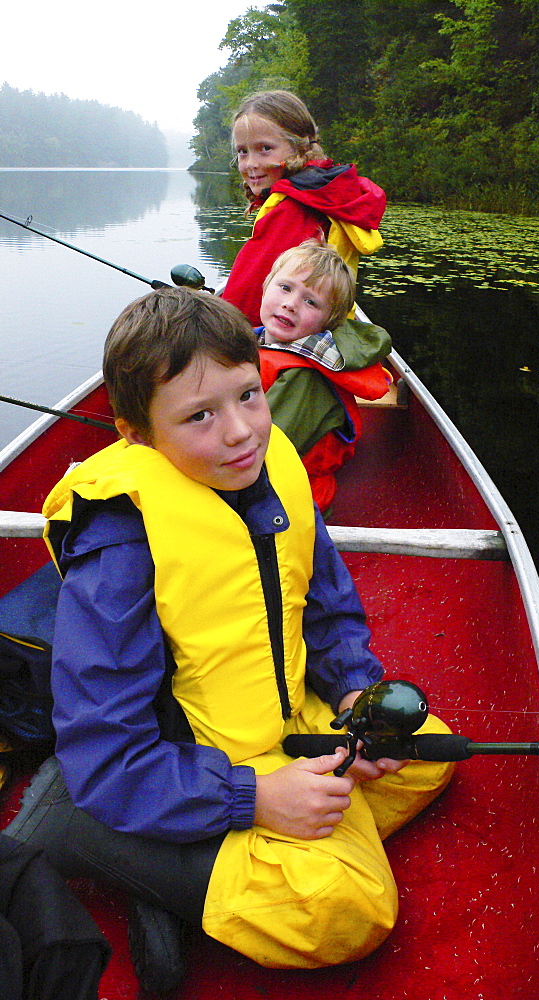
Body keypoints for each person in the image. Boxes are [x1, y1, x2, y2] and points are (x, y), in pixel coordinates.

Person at [5, 288, 453, 992]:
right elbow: (109, 754)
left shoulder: (270, 463)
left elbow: (326, 607)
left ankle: (252, 846)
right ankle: (82, 831)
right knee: (345, 911)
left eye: (248, 395)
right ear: (135, 434)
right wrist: (259, 800)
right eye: (199, 417)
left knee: (425, 752)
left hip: (277, 723)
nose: (241, 432)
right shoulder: (122, 546)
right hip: (179, 762)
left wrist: (353, 698)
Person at [222, 89, 386, 326]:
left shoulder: (292, 211)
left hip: (285, 343)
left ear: (299, 148)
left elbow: (244, 301)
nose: (251, 164)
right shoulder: (323, 191)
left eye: (265, 148)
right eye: (243, 151)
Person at [257, 239, 392, 512]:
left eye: (311, 302)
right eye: (284, 287)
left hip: (284, 500)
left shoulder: (304, 378)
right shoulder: (260, 342)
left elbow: (266, 454)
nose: (290, 304)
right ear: (265, 285)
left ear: (327, 322)